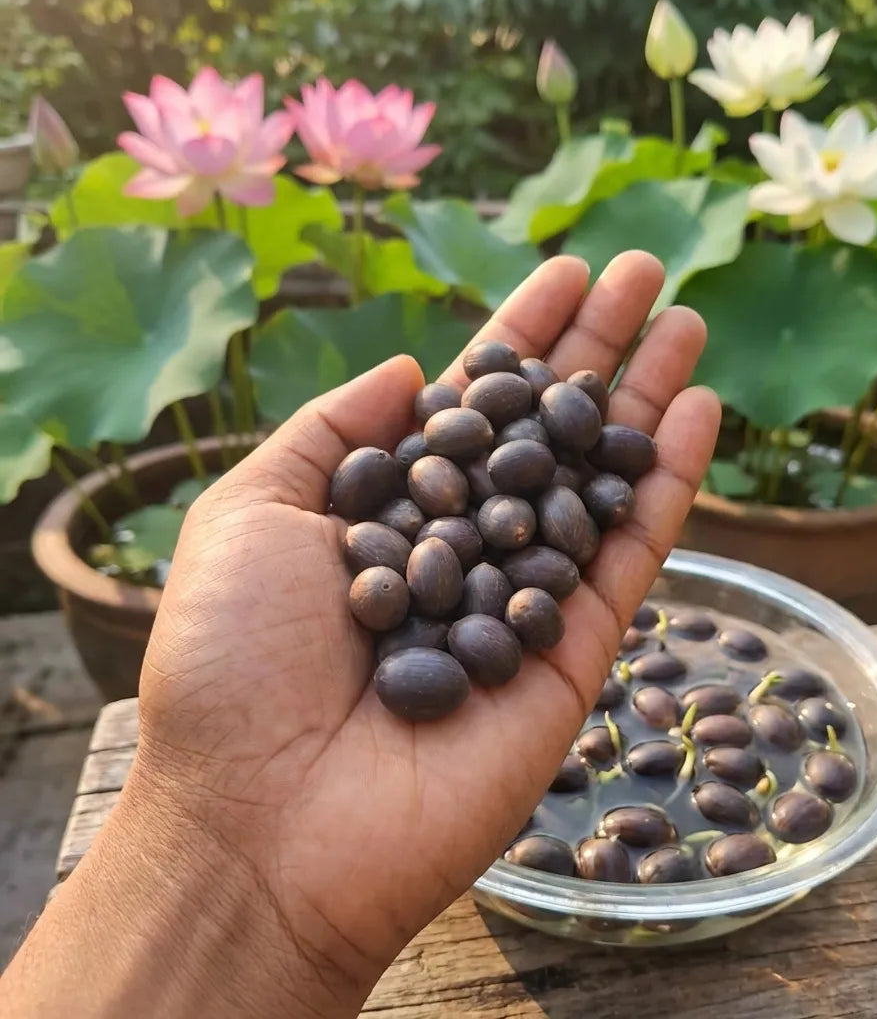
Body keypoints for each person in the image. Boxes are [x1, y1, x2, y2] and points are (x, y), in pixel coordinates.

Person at [0, 251, 719, 1018]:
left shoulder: (505, 511)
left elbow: (503, 522)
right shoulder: (435, 534)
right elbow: (452, 528)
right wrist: (211, 837)